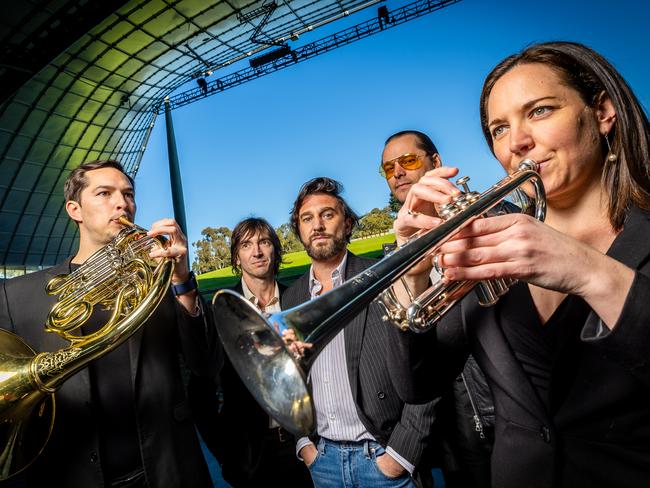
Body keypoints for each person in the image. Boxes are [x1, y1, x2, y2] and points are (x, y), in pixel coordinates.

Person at [392, 41, 650, 488]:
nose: (517, 142)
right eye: (498, 129)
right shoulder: (491, 242)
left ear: (603, 112)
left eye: (540, 111)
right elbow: (419, 386)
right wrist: (410, 273)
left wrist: (591, 272)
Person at [0, 160, 220, 487]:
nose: (122, 203)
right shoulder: (14, 296)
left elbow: (204, 364)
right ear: (75, 209)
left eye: (128, 194)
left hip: (167, 469)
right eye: (105, 193)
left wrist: (183, 280)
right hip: (70, 473)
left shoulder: (160, 282)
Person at [284, 176, 437, 488]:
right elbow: (288, 380)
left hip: (383, 458)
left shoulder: (383, 274)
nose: (317, 225)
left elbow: (425, 361)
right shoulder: (292, 297)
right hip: (322, 460)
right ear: (299, 230)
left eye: (328, 214)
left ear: (348, 224)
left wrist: (400, 455)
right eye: (307, 218)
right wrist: (304, 444)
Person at [381, 131, 494, 488]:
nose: (398, 172)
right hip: (451, 437)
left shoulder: (492, 217)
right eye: (388, 168)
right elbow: (409, 378)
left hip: (510, 414)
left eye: (409, 161)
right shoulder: (392, 258)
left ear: (436, 163)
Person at [188, 217, 312, 488]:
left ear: (275, 250)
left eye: (264, 242)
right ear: (236, 257)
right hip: (250, 455)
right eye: (246, 245)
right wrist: (226, 455)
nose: (256, 252)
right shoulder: (219, 311)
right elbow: (200, 393)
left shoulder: (300, 299)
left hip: (306, 447)